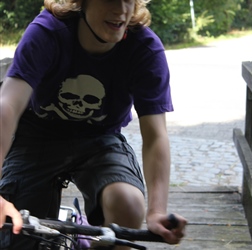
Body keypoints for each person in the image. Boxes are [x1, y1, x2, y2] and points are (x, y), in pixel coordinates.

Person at [0, 0, 187, 249]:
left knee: (129, 206)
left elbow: (155, 136)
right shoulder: (47, 32)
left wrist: (156, 212)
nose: (121, 9)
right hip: (36, 136)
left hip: (101, 137)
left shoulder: (145, 48)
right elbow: (8, 106)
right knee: (17, 231)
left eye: (129, 0)